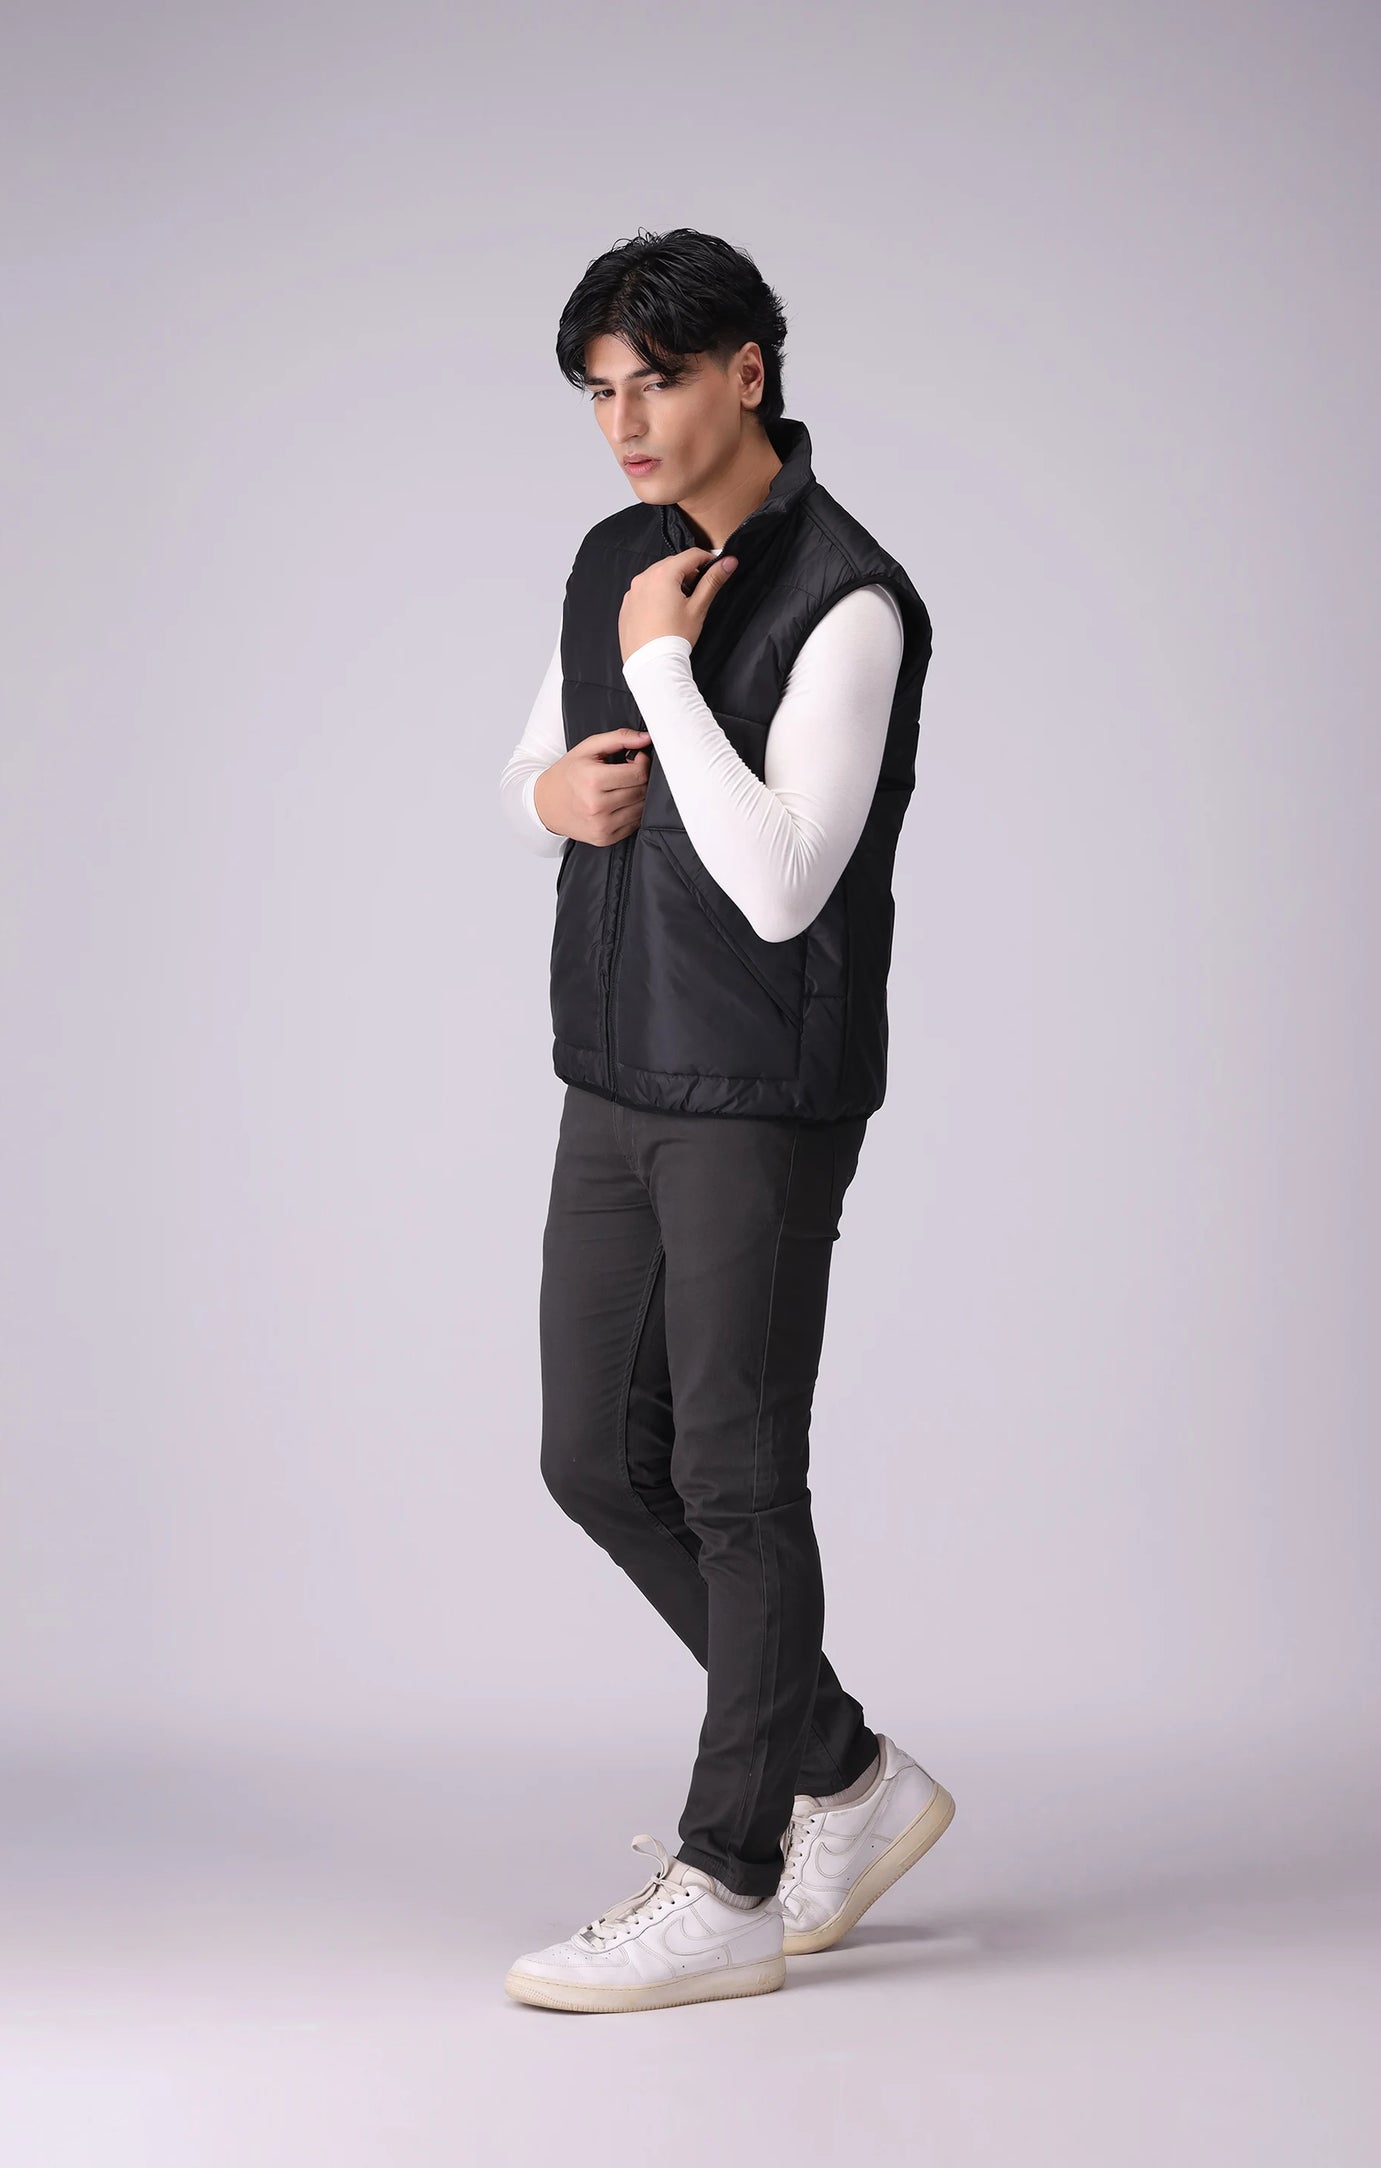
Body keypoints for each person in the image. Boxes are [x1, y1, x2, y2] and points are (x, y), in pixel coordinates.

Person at [496, 229, 951, 2015]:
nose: (625, 423)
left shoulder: (851, 600)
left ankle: (733, 1882)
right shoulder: (613, 559)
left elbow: (778, 889)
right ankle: (844, 1773)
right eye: (599, 392)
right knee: (594, 1461)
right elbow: (531, 766)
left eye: (658, 382)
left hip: (758, 1090)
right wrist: (551, 791)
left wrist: (668, 677)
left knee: (736, 1480)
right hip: (612, 1064)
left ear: (747, 372)